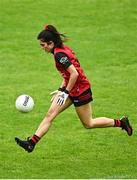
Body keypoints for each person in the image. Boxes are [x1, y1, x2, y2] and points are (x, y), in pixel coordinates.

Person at [15, 25, 133, 153]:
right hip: (70, 88)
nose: (42, 48)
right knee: (50, 115)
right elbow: (67, 74)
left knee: (88, 123)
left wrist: (65, 92)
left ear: (51, 43)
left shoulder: (59, 55)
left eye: (43, 45)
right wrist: (61, 90)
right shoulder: (60, 50)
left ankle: (121, 123)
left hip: (80, 90)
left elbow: (74, 74)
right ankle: (31, 143)